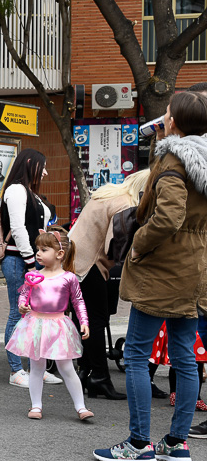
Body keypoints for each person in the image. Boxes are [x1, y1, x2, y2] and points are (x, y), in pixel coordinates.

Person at [94, 90, 207, 461]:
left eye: (168, 112)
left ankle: (139, 443)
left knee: (136, 355)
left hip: (162, 269)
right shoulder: (203, 159)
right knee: (185, 357)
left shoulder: (174, 159)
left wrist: (139, 244)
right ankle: (177, 442)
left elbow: (169, 216)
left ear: (174, 120)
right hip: (193, 269)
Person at [69, 170, 150, 400]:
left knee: (82, 318)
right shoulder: (125, 203)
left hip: (76, 260)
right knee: (97, 319)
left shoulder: (108, 194)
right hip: (91, 264)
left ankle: (86, 371)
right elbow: (115, 245)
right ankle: (100, 378)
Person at [5, 228, 93, 420]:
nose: (38, 253)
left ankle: (81, 406)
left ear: (60, 254)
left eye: (44, 249)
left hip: (59, 325)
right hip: (36, 325)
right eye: (38, 249)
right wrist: (22, 307)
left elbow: (78, 301)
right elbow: (23, 296)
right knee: (36, 367)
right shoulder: (34, 276)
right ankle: (36, 406)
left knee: (67, 367)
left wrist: (84, 321)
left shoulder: (69, 278)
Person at [0, 149, 63, 389]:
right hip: (19, 261)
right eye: (42, 167)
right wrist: (30, 260)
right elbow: (17, 228)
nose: (45, 172)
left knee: (37, 316)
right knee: (19, 313)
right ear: (29, 164)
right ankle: (16, 369)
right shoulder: (16, 190)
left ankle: (37, 368)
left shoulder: (31, 194)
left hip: (31, 261)